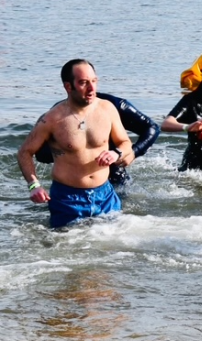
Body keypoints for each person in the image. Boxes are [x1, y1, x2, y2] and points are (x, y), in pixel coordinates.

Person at [17, 60, 134, 228]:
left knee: (113, 248)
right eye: (83, 83)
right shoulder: (52, 119)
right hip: (68, 199)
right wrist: (34, 185)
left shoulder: (107, 109)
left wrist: (116, 153)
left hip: (105, 196)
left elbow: (125, 142)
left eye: (93, 81)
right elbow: (24, 152)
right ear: (68, 87)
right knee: (69, 248)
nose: (92, 88)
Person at [36, 92, 159, 190]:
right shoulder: (58, 113)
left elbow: (152, 127)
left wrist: (133, 152)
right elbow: (40, 153)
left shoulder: (113, 106)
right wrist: (72, 153)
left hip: (113, 167)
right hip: (73, 183)